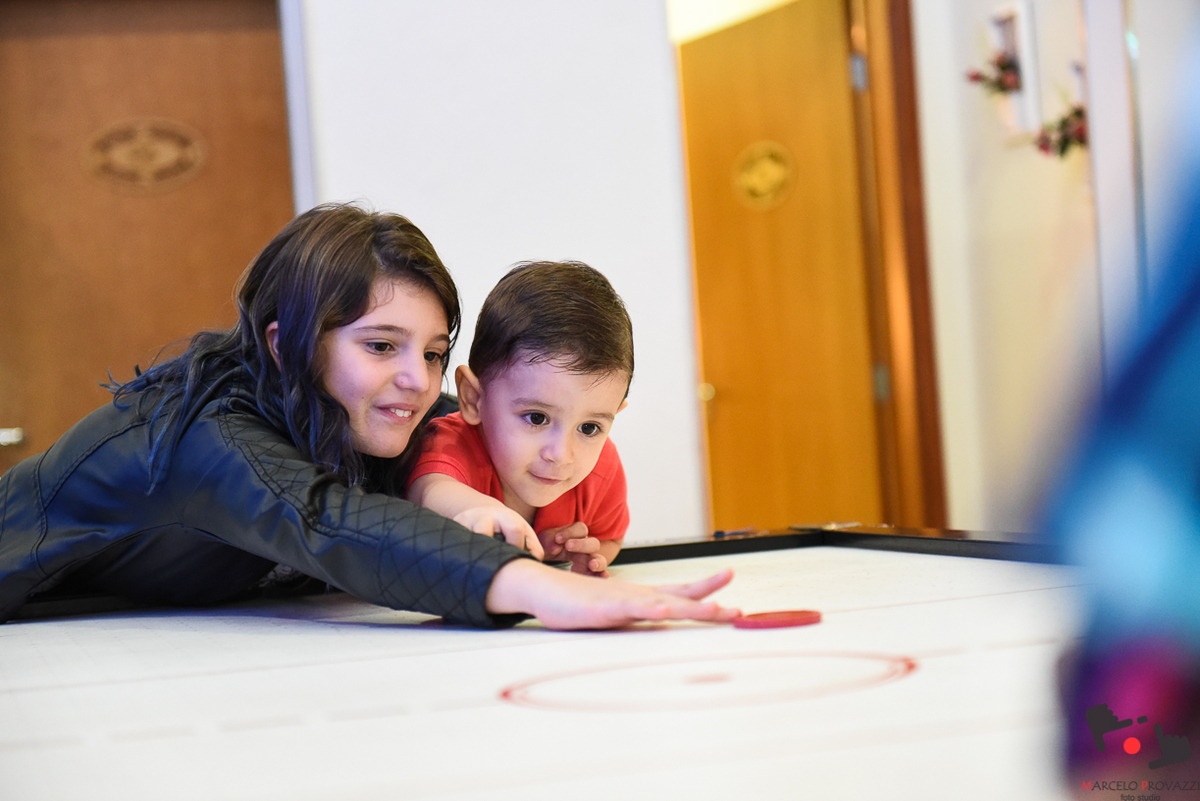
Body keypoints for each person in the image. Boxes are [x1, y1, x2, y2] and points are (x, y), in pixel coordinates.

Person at [0, 203, 739, 630]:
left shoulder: (391, 419)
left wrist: (546, 540)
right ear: (288, 344)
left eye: (433, 352)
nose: (417, 380)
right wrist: (549, 592)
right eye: (381, 345)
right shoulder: (208, 435)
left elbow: (485, 442)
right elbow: (326, 521)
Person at [407, 261, 631, 576]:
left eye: (589, 427)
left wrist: (582, 558)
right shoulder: (448, 443)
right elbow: (428, 490)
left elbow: (610, 537)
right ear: (473, 398)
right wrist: (485, 512)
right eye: (537, 418)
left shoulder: (602, 467)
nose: (560, 454)